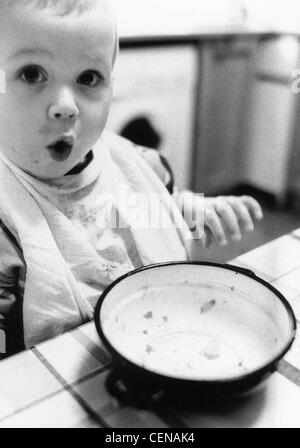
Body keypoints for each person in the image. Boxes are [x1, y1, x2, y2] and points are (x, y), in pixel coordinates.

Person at [0, 0, 263, 355]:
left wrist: (192, 210)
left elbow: (152, 208)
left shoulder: (138, 161)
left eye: (88, 78)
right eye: (32, 74)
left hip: (164, 347)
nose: (66, 105)